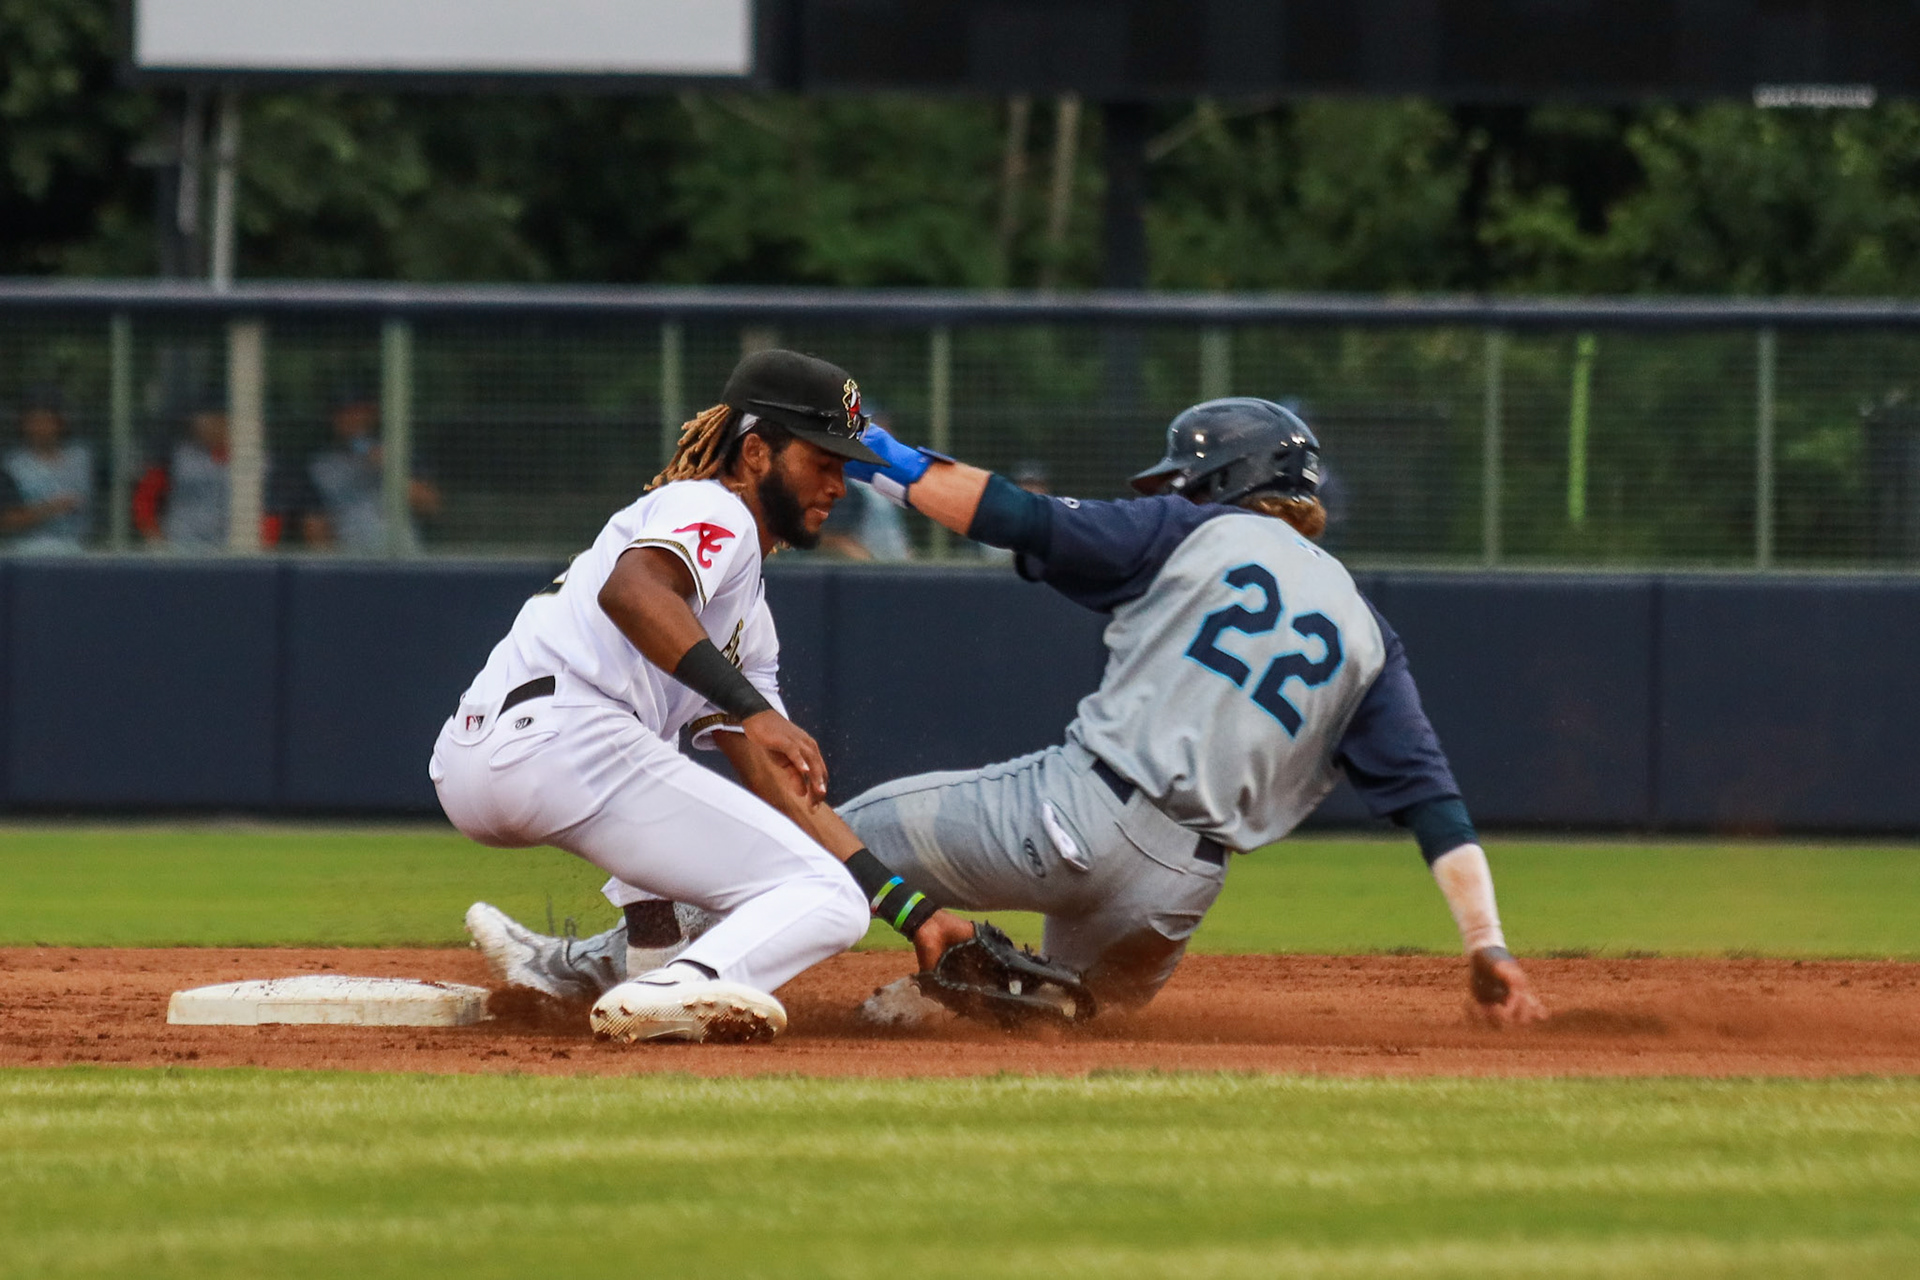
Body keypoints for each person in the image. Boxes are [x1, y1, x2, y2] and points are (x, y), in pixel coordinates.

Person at [469, 397, 1545, 1028]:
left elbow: (1015, 515)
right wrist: (1487, 944)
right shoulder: (1366, 634)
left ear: (1226, 479)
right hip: (1177, 892)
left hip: (1078, 811)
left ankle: (585, 971)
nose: (1172, 487)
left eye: (1188, 474)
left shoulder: (1191, 532)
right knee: (1081, 1010)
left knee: (830, 845)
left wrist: (886, 457)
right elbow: (1435, 806)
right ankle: (973, 996)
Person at [432, 349, 975, 1045]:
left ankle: (644, 974)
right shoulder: (709, 507)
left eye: (843, 466)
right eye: (822, 461)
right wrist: (750, 708)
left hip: (495, 756)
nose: (838, 485)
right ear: (755, 453)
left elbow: (775, 777)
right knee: (829, 901)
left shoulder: (747, 610)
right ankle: (679, 985)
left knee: (686, 787)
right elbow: (632, 593)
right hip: (561, 740)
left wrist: (913, 912)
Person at [132, 402, 292, 549]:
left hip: (235, 557)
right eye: (202, 419)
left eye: (214, 418)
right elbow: (144, 501)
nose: (205, 424)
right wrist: (158, 544)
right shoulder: (177, 456)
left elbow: (271, 515)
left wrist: (256, 554)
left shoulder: (260, 462)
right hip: (179, 553)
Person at [299, 387, 441, 553]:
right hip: (351, 564)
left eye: (360, 412)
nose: (353, 419)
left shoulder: (398, 452)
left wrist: (390, 470)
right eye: (345, 413)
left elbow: (431, 506)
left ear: (373, 415)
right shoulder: (320, 466)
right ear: (333, 419)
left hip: (403, 559)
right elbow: (314, 527)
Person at [1, 387, 92, 554]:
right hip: (27, 555)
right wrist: (51, 508)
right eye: (33, 421)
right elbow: (5, 520)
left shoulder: (81, 458)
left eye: (46, 420)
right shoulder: (12, 466)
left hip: (78, 554)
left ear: (60, 422)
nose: (40, 428)